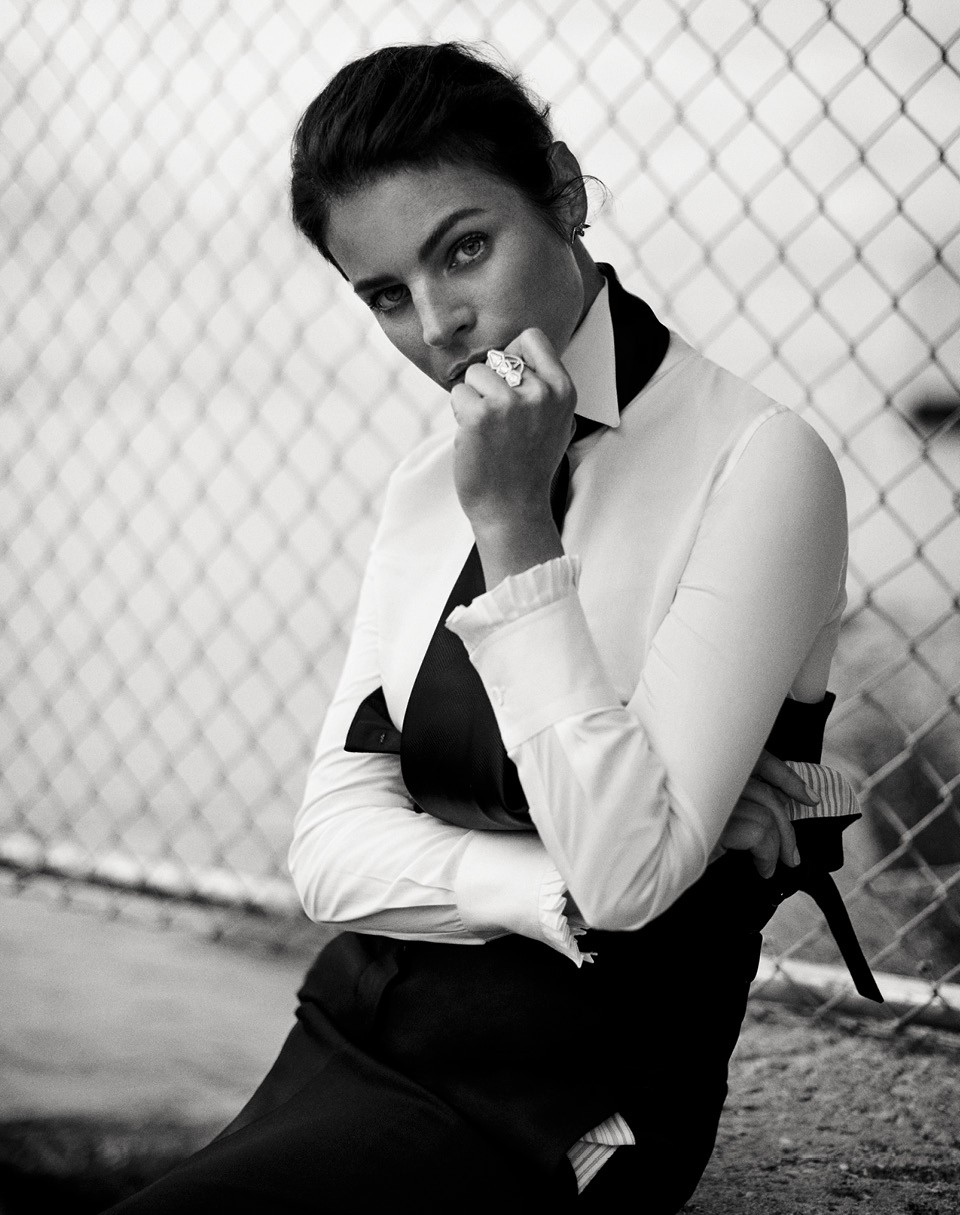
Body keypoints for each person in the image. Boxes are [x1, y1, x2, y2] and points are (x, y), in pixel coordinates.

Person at [103, 41, 879, 1214]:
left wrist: (516, 523)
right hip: (360, 1026)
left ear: (562, 194)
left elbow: (627, 875)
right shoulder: (429, 486)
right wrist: (545, 891)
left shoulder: (760, 466)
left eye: (465, 249)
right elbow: (329, 850)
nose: (439, 324)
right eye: (385, 295)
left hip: (583, 1092)